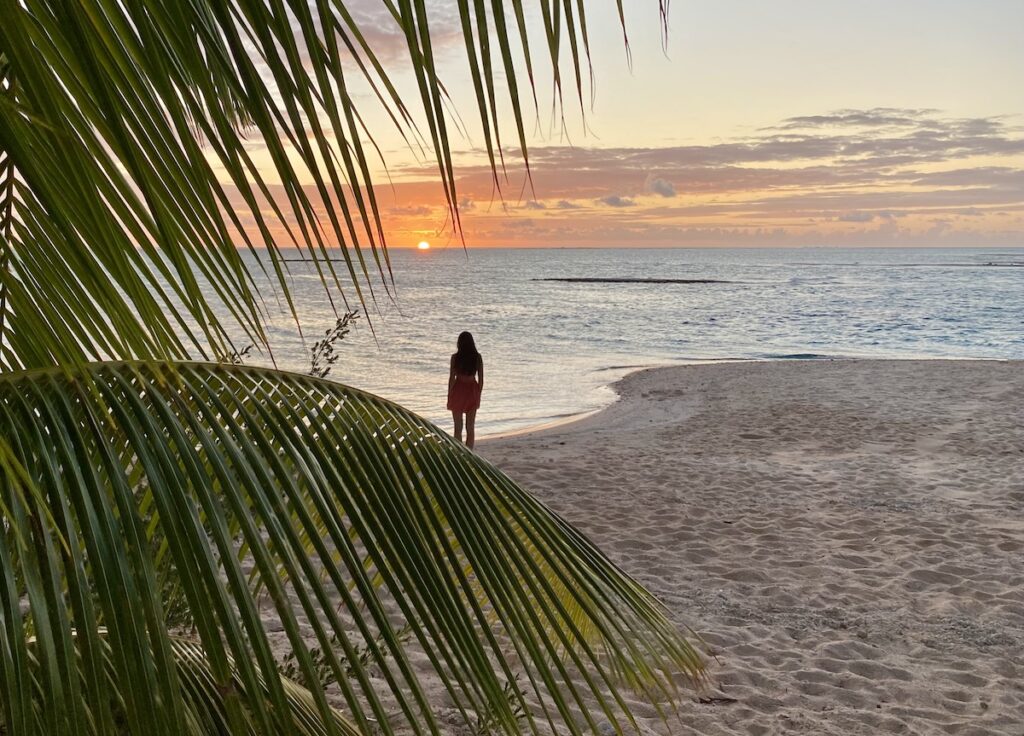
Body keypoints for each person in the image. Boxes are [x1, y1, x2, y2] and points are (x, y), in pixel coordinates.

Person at [447, 331, 483, 449]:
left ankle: (459, 453)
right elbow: (481, 380)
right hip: (472, 390)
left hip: (458, 390)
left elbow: (452, 378)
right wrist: (478, 394)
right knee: (470, 427)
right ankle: (470, 454)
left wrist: (449, 395)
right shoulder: (477, 357)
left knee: (458, 427)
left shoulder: (455, 357)